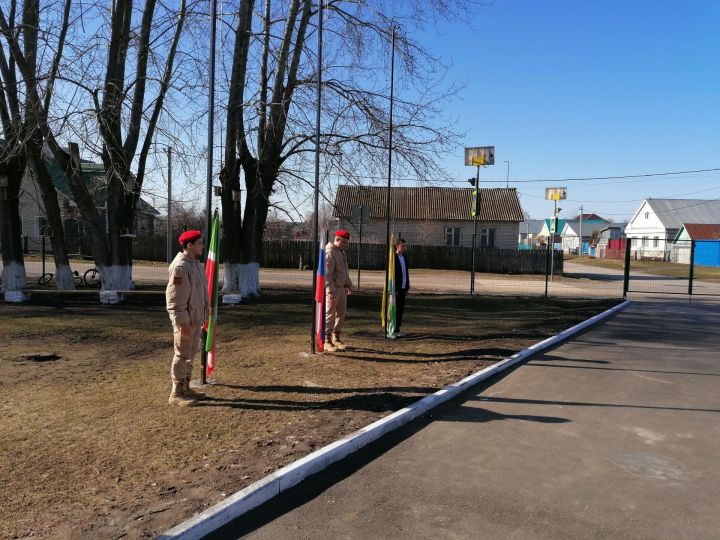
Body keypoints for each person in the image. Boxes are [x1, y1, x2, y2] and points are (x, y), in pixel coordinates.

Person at [165, 230, 210, 407]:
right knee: (182, 355)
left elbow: (199, 295)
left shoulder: (195, 265)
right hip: (186, 322)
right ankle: (176, 393)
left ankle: (186, 388)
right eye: (200, 243)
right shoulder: (181, 267)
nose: (202, 246)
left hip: (195, 319)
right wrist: (182, 322)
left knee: (190, 355)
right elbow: (175, 298)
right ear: (189, 245)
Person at [325, 229, 353, 352]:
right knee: (330, 314)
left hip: (341, 288)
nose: (346, 245)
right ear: (337, 239)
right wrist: (330, 290)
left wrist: (349, 284)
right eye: (344, 242)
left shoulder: (341, 252)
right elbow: (327, 274)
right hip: (333, 289)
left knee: (341, 314)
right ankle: (327, 340)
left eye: (347, 242)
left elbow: (344, 271)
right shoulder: (330, 252)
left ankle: (336, 338)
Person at [390, 237, 410, 338]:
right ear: (397, 246)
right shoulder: (393, 257)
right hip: (395, 288)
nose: (404, 248)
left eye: (405, 246)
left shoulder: (404, 257)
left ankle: (397, 329)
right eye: (402, 246)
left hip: (403, 288)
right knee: (394, 309)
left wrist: (407, 286)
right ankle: (390, 330)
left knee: (400, 309)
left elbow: (405, 273)